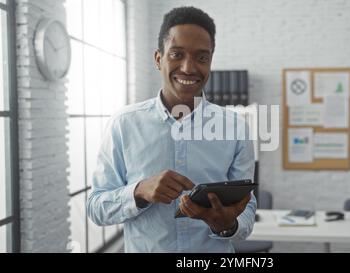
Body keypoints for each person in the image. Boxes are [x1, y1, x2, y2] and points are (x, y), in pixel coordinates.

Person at [86, 6, 256, 253]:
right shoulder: (124, 124)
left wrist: (228, 224)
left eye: (201, 57)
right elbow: (95, 208)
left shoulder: (235, 128)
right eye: (177, 54)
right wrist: (139, 191)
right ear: (158, 59)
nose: (188, 68)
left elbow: (247, 210)